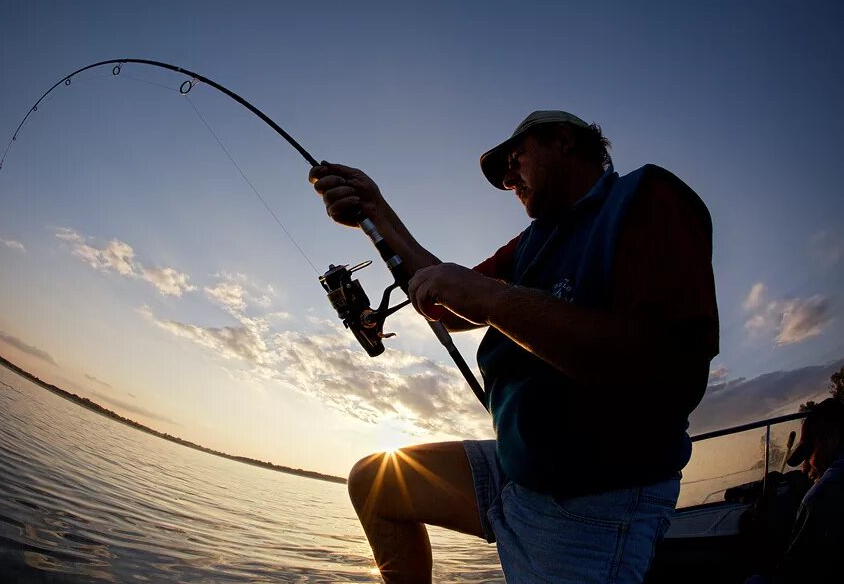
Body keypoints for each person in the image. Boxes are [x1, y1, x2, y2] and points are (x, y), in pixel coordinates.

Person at [309, 110, 719, 583]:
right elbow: (444, 295)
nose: (507, 177)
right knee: (376, 483)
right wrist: (374, 210)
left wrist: (493, 300)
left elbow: (669, 364)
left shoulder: (646, 197)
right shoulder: (530, 243)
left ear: (564, 140)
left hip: (596, 491)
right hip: (517, 466)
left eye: (515, 156)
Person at [747, 398, 844, 583]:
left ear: (831, 439)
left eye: (809, 454)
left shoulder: (821, 495)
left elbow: (792, 571)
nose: (804, 467)